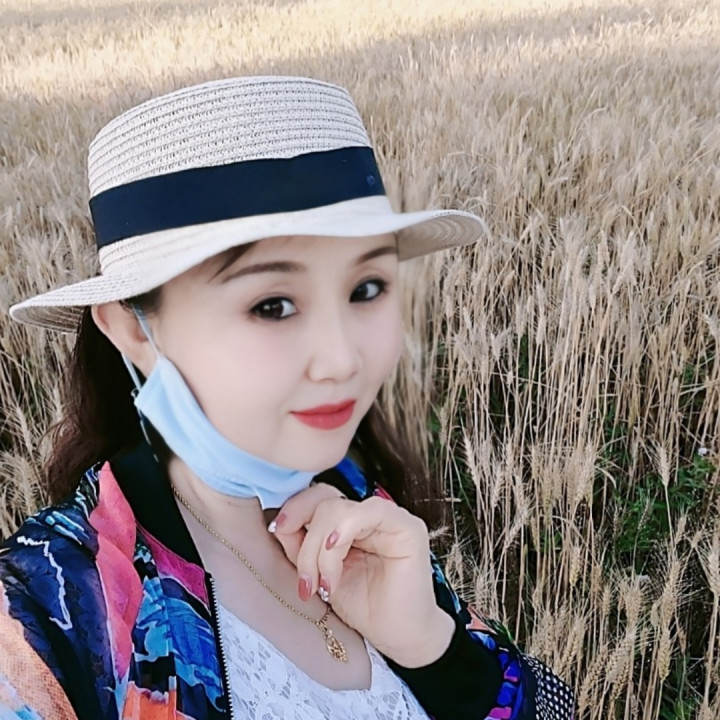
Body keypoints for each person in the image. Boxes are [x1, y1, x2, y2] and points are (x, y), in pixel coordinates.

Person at [0, 76, 575, 720]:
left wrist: (434, 653)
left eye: (365, 289)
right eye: (273, 305)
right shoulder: (46, 619)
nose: (342, 359)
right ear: (134, 329)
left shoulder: (362, 508)